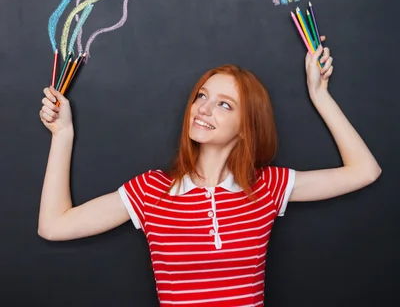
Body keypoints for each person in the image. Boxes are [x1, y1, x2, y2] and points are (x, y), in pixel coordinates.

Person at [38, 41, 381, 306]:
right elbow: (54, 226)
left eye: (224, 104)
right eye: (202, 96)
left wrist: (320, 96)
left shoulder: (267, 187)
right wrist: (62, 134)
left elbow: (365, 171)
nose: (203, 108)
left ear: (245, 128)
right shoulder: (151, 192)